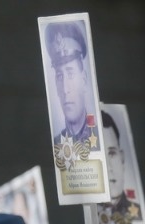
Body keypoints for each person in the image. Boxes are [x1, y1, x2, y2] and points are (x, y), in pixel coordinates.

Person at [45, 21, 98, 149]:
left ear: (84, 80)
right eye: (59, 76)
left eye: (70, 74)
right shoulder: (54, 144)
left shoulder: (101, 138)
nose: (65, 88)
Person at [97, 110, 142, 224]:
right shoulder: (87, 217)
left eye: (111, 154)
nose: (108, 167)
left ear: (121, 158)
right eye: (100, 157)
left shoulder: (138, 214)